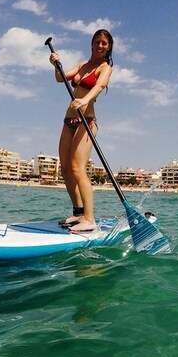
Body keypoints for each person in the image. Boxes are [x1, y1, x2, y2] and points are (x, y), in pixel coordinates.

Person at [49, 29, 113, 233]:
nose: (100, 46)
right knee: (66, 168)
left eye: (104, 43)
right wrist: (55, 65)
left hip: (87, 121)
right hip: (69, 120)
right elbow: (61, 78)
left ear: (108, 47)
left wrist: (85, 100)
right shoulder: (82, 65)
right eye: (97, 42)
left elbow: (100, 85)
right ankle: (78, 214)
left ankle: (89, 218)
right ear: (92, 44)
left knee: (78, 168)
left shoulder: (105, 68)